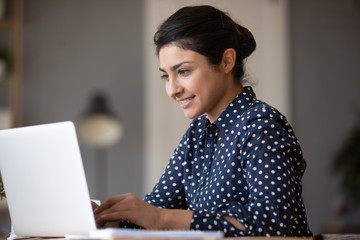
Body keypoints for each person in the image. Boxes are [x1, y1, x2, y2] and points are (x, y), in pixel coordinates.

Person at [94, 5, 312, 237]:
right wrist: (106, 218)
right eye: (165, 76)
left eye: (184, 71)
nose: (172, 89)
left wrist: (161, 217)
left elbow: (273, 222)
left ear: (227, 61)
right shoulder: (197, 134)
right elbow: (155, 210)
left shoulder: (261, 127)